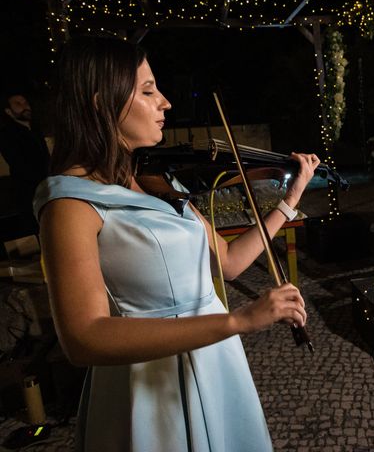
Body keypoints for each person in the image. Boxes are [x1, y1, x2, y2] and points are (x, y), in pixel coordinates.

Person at [34, 36, 320, 451]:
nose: (165, 102)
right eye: (148, 91)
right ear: (101, 103)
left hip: (216, 359)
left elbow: (229, 263)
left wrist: (290, 201)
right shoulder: (69, 203)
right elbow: (83, 338)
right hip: (147, 385)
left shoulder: (158, 182)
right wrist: (238, 321)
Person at [0, 92, 50, 235]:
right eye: (18, 104)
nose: (25, 107)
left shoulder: (35, 128)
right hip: (29, 192)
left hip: (47, 187)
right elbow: (20, 165)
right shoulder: (6, 134)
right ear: (8, 111)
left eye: (25, 102)